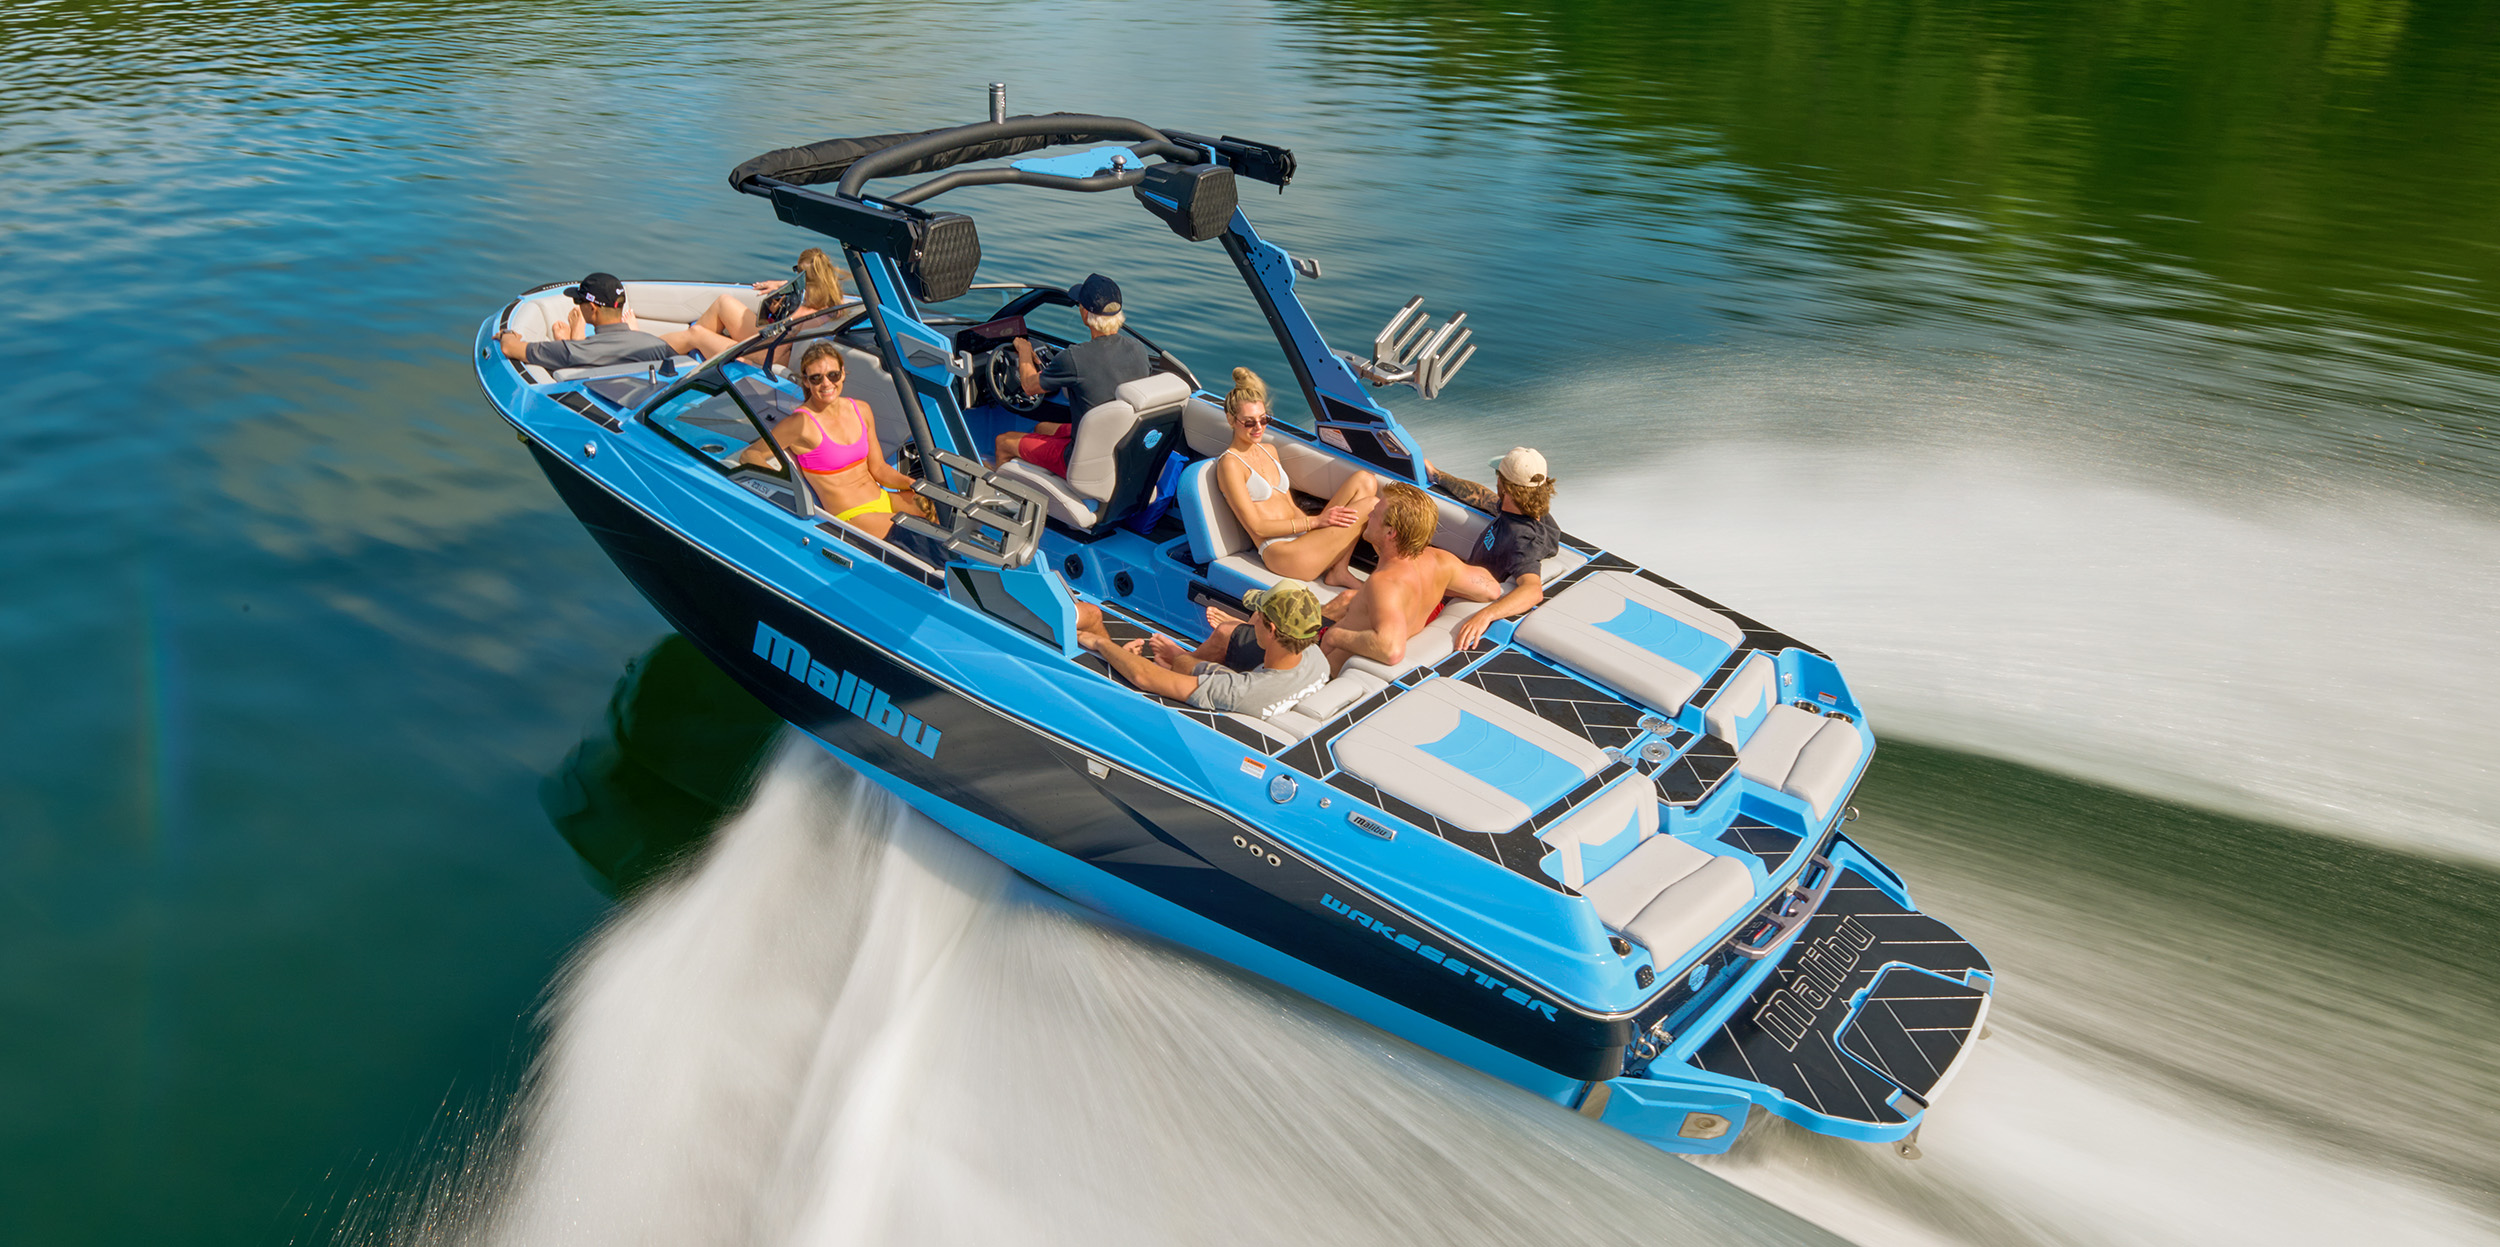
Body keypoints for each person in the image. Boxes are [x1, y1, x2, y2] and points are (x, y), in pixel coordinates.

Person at [734, 342, 931, 537]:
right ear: (806, 381)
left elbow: (879, 469)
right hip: (853, 515)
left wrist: (914, 486)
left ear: (843, 373)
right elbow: (751, 454)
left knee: (942, 513)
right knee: (918, 538)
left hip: (883, 498)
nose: (826, 383)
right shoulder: (801, 423)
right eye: (816, 378)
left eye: (833, 375)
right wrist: (789, 487)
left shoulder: (861, 409)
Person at [1211, 368, 1380, 586]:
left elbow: (1289, 505)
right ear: (1231, 420)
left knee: (1365, 480)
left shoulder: (1269, 450)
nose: (1258, 427)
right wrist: (1317, 521)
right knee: (1373, 505)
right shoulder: (1230, 464)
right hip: (1282, 552)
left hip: (1302, 537)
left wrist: (1317, 526)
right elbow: (1258, 528)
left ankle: (1339, 570)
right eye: (1249, 422)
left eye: (1264, 419)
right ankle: (1336, 570)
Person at [1319, 482, 1495, 676]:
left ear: (1390, 532)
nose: (1368, 515)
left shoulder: (1385, 582)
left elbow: (1391, 650)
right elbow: (1492, 589)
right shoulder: (1441, 562)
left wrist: (1334, 637)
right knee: (1344, 599)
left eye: (1375, 514)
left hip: (1325, 671)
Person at [1079, 582, 1330, 718]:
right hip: (1273, 686)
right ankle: (1175, 659)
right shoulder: (1317, 659)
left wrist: (1101, 643)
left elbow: (1144, 678)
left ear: (1272, 630)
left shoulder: (1239, 690)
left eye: (1258, 615)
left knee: (1176, 666)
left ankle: (1172, 662)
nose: (1253, 616)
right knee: (1220, 637)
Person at [993, 273, 1153, 473]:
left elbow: (1029, 386)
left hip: (1082, 458)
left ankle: (1000, 495)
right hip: (1120, 445)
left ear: (1085, 313)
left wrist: (1024, 353)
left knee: (1003, 442)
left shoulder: (1075, 358)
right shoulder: (1138, 349)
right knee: (1041, 428)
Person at [1426, 447, 1562, 651]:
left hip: (1450, 602)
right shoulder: (1525, 509)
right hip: (1457, 585)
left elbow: (1533, 590)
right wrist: (1438, 475)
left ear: (1505, 487)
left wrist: (1485, 615)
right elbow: (1482, 497)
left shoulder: (1522, 539)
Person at [682, 247, 852, 368]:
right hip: (773, 345)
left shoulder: (805, 314)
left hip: (767, 354)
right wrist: (782, 285)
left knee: (697, 333)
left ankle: (668, 355)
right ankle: (689, 354)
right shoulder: (834, 304)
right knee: (724, 302)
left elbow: (775, 344)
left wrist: (778, 315)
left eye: (797, 273)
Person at [499, 273, 677, 372]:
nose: (576, 306)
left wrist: (508, 333)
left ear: (592, 308)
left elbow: (509, 348)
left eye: (578, 302)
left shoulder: (572, 350)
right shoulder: (656, 345)